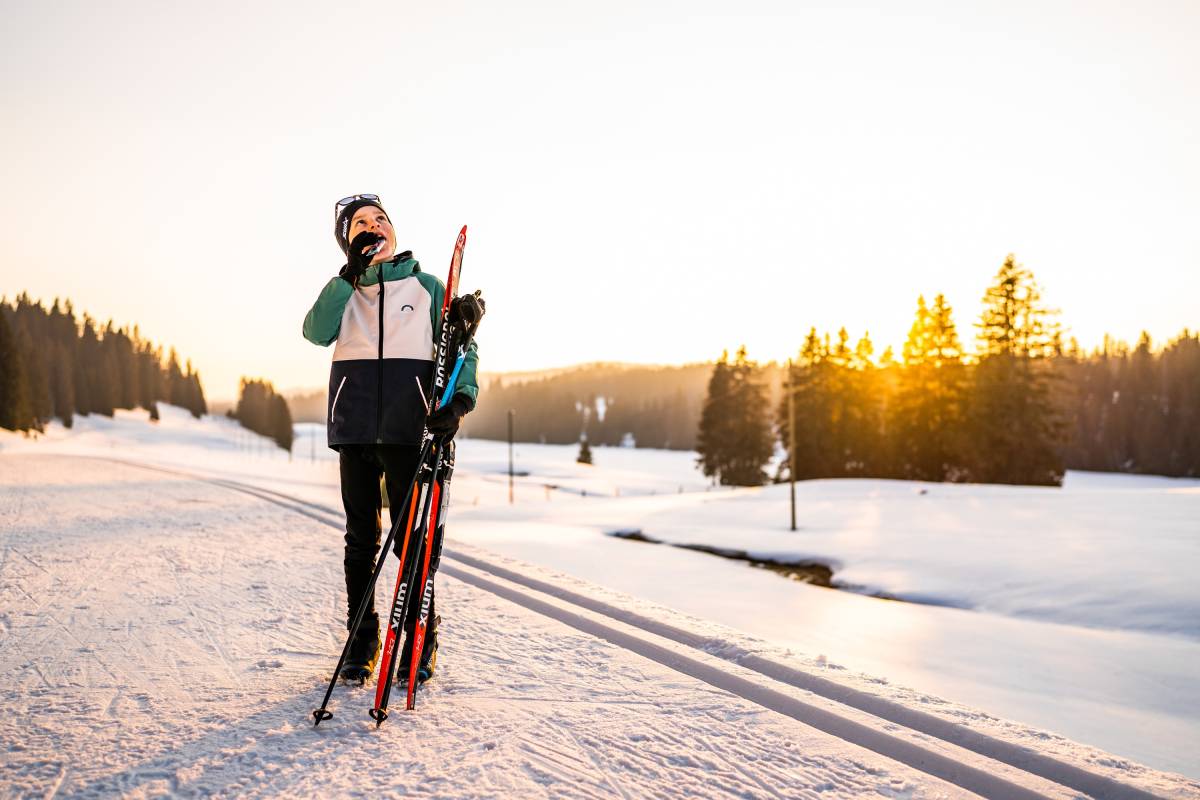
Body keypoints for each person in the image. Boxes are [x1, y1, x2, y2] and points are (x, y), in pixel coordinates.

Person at [302, 194, 479, 684]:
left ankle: (420, 636)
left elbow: (465, 349)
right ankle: (362, 641)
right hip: (354, 427)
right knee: (360, 540)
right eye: (360, 223)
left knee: (412, 541)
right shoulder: (343, 293)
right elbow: (315, 333)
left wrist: (459, 403)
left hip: (409, 429)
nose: (373, 226)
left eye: (380, 219)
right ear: (349, 239)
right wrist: (346, 277)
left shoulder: (426, 287)